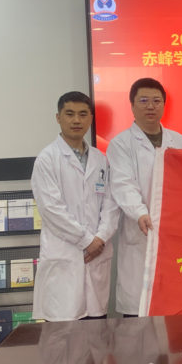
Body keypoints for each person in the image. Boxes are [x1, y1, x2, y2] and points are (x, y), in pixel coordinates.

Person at [107, 78, 182, 318]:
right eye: (143, 100)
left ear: (164, 105)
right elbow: (123, 184)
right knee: (138, 315)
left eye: (156, 101)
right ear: (132, 106)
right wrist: (140, 213)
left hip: (175, 235)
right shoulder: (121, 144)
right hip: (141, 232)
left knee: (173, 315)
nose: (150, 106)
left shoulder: (180, 141)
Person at [31, 92, 119, 322]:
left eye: (82, 114)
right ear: (58, 117)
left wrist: (100, 237)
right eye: (70, 114)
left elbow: (111, 203)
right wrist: (87, 241)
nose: (76, 120)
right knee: (63, 334)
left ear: (91, 118)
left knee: (96, 332)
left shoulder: (100, 159)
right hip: (65, 255)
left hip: (96, 254)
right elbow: (52, 210)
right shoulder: (47, 158)